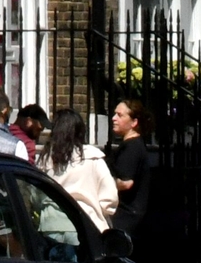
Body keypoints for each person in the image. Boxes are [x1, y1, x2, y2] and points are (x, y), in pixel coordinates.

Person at [41, 108, 118, 230]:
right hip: (88, 224)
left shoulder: (45, 159)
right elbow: (110, 197)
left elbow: (37, 195)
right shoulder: (93, 158)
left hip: (52, 225)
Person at [104, 96, 151, 244]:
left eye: (120, 115)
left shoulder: (132, 148)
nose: (113, 118)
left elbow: (125, 183)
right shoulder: (132, 145)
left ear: (134, 122)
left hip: (126, 219)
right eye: (114, 114)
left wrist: (101, 183)